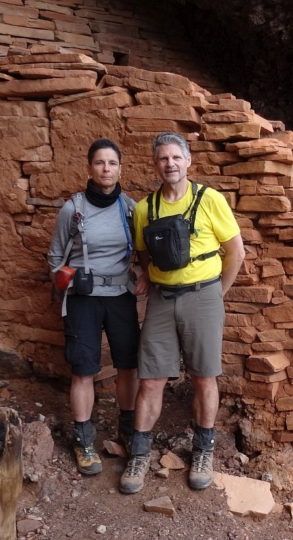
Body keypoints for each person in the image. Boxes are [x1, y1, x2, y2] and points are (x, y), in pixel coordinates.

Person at [121, 131, 245, 494]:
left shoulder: (210, 200)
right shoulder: (145, 208)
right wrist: (148, 274)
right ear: (155, 163)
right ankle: (139, 454)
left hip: (203, 296)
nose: (170, 164)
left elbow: (235, 251)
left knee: (204, 376)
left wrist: (218, 294)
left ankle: (204, 448)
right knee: (152, 379)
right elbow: (144, 255)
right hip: (162, 297)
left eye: (176, 157)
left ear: (189, 161)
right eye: (163, 158)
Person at [47, 138, 146, 476]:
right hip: (83, 301)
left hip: (120, 296)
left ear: (120, 167)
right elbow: (55, 258)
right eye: (100, 163)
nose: (106, 169)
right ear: (89, 167)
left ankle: (128, 429)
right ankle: (84, 438)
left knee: (128, 365)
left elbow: (142, 253)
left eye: (112, 163)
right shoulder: (72, 210)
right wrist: (67, 283)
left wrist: (143, 273)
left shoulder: (131, 208)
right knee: (84, 369)